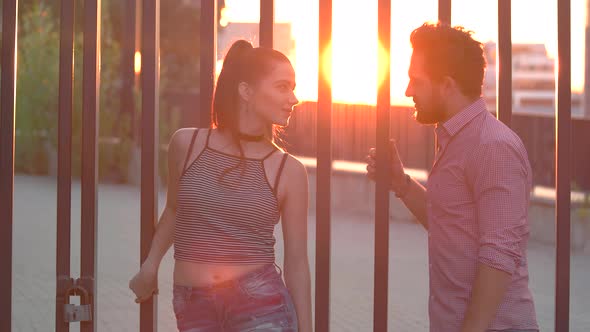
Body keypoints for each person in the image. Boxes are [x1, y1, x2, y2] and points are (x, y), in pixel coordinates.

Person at [129, 40, 312, 332]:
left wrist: (307, 328)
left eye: (292, 87)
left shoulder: (289, 171)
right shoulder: (186, 145)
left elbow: (297, 261)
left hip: (261, 307)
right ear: (246, 91)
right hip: (193, 306)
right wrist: (150, 266)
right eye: (282, 87)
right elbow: (175, 211)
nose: (294, 98)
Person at [366, 23, 538, 332]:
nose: (408, 91)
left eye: (415, 81)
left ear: (446, 85)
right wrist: (401, 183)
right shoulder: (454, 139)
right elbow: (451, 223)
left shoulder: (493, 146)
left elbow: (499, 256)